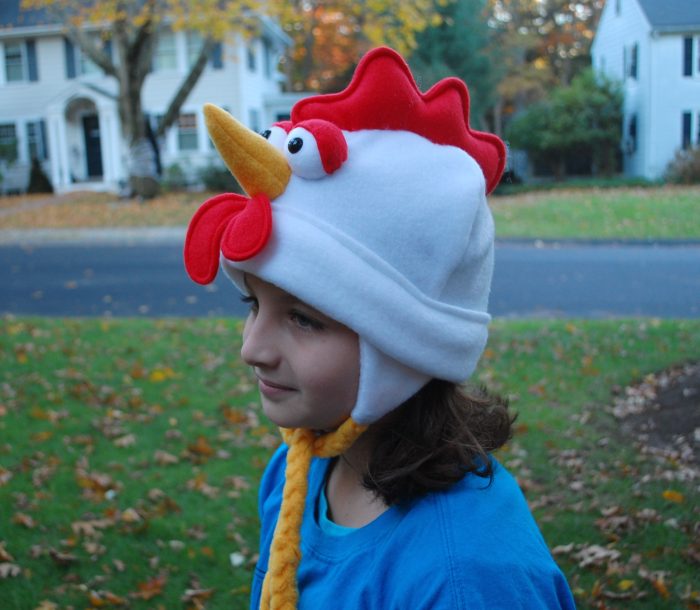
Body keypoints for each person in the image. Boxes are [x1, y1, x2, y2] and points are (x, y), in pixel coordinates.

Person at [184, 47, 576, 610]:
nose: (252, 348)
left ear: (402, 349)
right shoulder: (299, 470)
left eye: (302, 318)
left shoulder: (464, 579)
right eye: (252, 304)